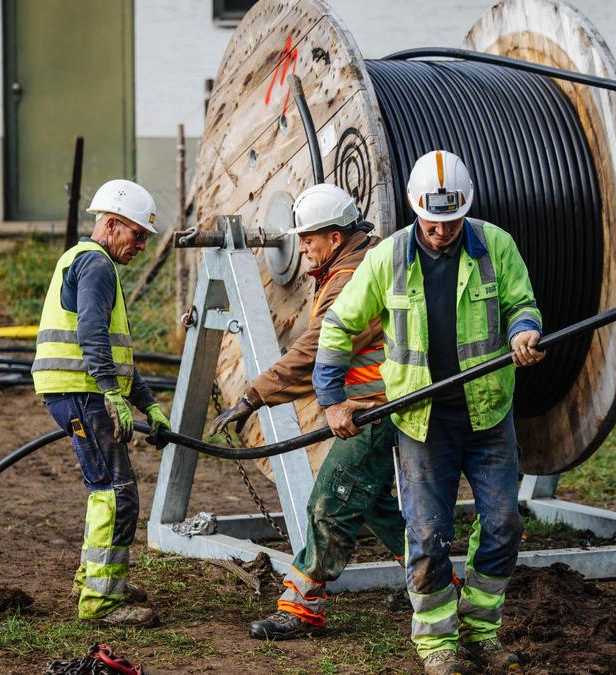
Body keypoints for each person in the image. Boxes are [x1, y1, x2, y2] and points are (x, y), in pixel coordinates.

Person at [314, 151, 544, 674]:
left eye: (452, 221)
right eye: (432, 221)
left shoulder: (495, 246)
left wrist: (525, 331)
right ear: (416, 209)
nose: (441, 232)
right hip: (421, 422)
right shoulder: (386, 258)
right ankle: (437, 645)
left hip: (488, 415)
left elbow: (521, 305)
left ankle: (482, 630)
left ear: (466, 211)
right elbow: (339, 326)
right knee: (426, 533)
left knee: (504, 523)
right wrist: (331, 400)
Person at [209, 183, 406, 640]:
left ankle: (300, 608)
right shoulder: (357, 264)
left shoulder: (352, 280)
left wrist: (253, 395)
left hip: (371, 411)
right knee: (376, 505)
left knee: (328, 504)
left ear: (335, 238)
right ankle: (436, 583)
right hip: (378, 407)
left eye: (308, 239)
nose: (300, 249)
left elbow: (315, 352)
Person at [31, 178, 172, 626]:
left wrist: (146, 402)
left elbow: (116, 350)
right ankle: (101, 602)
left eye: (147, 238)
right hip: (84, 393)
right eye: (137, 235)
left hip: (79, 391)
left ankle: (95, 580)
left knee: (105, 489)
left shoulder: (88, 262)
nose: (142, 246)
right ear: (111, 224)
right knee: (117, 493)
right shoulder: (96, 265)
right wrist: (112, 393)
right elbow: (91, 336)